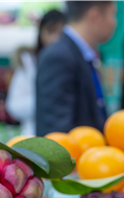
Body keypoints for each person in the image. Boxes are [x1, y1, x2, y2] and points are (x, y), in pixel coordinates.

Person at [36, 1, 116, 136]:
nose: (114, 23)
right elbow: (57, 131)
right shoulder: (59, 57)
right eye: (112, 15)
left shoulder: (84, 55)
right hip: (76, 155)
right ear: (95, 16)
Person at [6, 10, 65, 137]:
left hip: (65, 138)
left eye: (60, 33)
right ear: (41, 33)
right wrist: (45, 102)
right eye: (51, 31)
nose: (55, 39)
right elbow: (14, 106)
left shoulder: (73, 63)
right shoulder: (28, 62)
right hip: (33, 137)